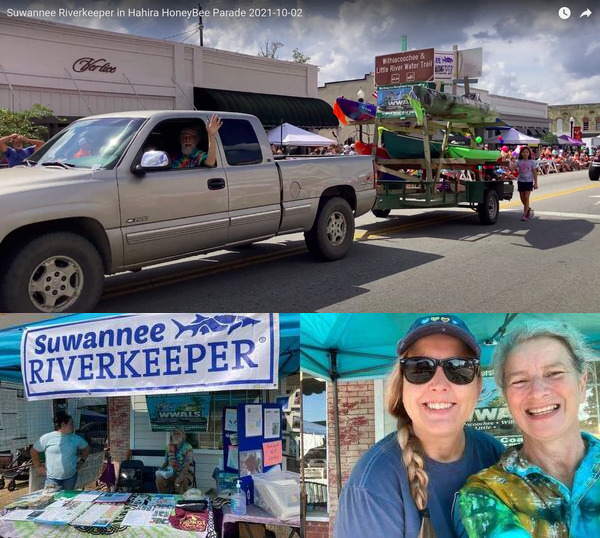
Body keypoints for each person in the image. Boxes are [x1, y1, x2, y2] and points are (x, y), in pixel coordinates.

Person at [334, 315, 504, 538]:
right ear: (401, 386)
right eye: (420, 368)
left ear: (478, 386)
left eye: (459, 368)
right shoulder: (374, 484)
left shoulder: (494, 454)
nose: (439, 385)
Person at [456, 321, 600, 537]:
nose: (538, 391)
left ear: (582, 383)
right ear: (506, 397)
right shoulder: (489, 493)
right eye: (520, 380)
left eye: (554, 373)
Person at [30, 411, 90, 491]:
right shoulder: (47, 437)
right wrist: (38, 467)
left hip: (70, 478)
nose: (73, 426)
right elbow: (33, 451)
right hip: (52, 479)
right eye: (71, 423)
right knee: (52, 501)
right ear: (63, 424)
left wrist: (81, 461)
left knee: (67, 500)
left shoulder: (75, 438)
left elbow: (86, 448)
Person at [155, 429, 194, 494]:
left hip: (184, 472)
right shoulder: (169, 447)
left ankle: (181, 500)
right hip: (170, 472)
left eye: (178, 434)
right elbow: (165, 462)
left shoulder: (188, 446)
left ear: (183, 436)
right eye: (174, 434)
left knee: (181, 481)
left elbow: (187, 464)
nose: (176, 436)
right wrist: (160, 470)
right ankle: (164, 498)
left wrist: (180, 476)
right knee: (159, 479)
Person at [512, 146, 538, 221]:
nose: (525, 153)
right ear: (521, 153)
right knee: (522, 198)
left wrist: (535, 183)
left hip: (529, 181)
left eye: (527, 152)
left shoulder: (532, 162)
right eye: (524, 152)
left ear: (529, 153)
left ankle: (525, 214)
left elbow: (534, 173)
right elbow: (513, 169)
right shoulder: (519, 161)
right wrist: (509, 164)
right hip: (521, 181)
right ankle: (528, 208)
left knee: (526, 197)